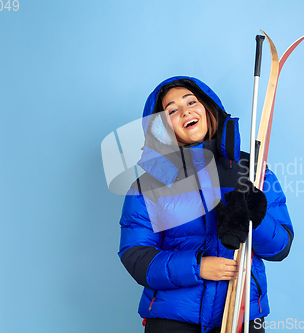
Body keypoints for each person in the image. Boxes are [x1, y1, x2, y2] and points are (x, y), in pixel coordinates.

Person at [118, 76, 293, 333]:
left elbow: (280, 247)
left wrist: (257, 219)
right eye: (172, 110)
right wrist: (197, 267)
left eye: (191, 101)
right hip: (174, 318)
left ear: (208, 109)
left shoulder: (253, 171)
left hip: (241, 313)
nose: (185, 111)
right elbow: (136, 255)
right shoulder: (148, 186)